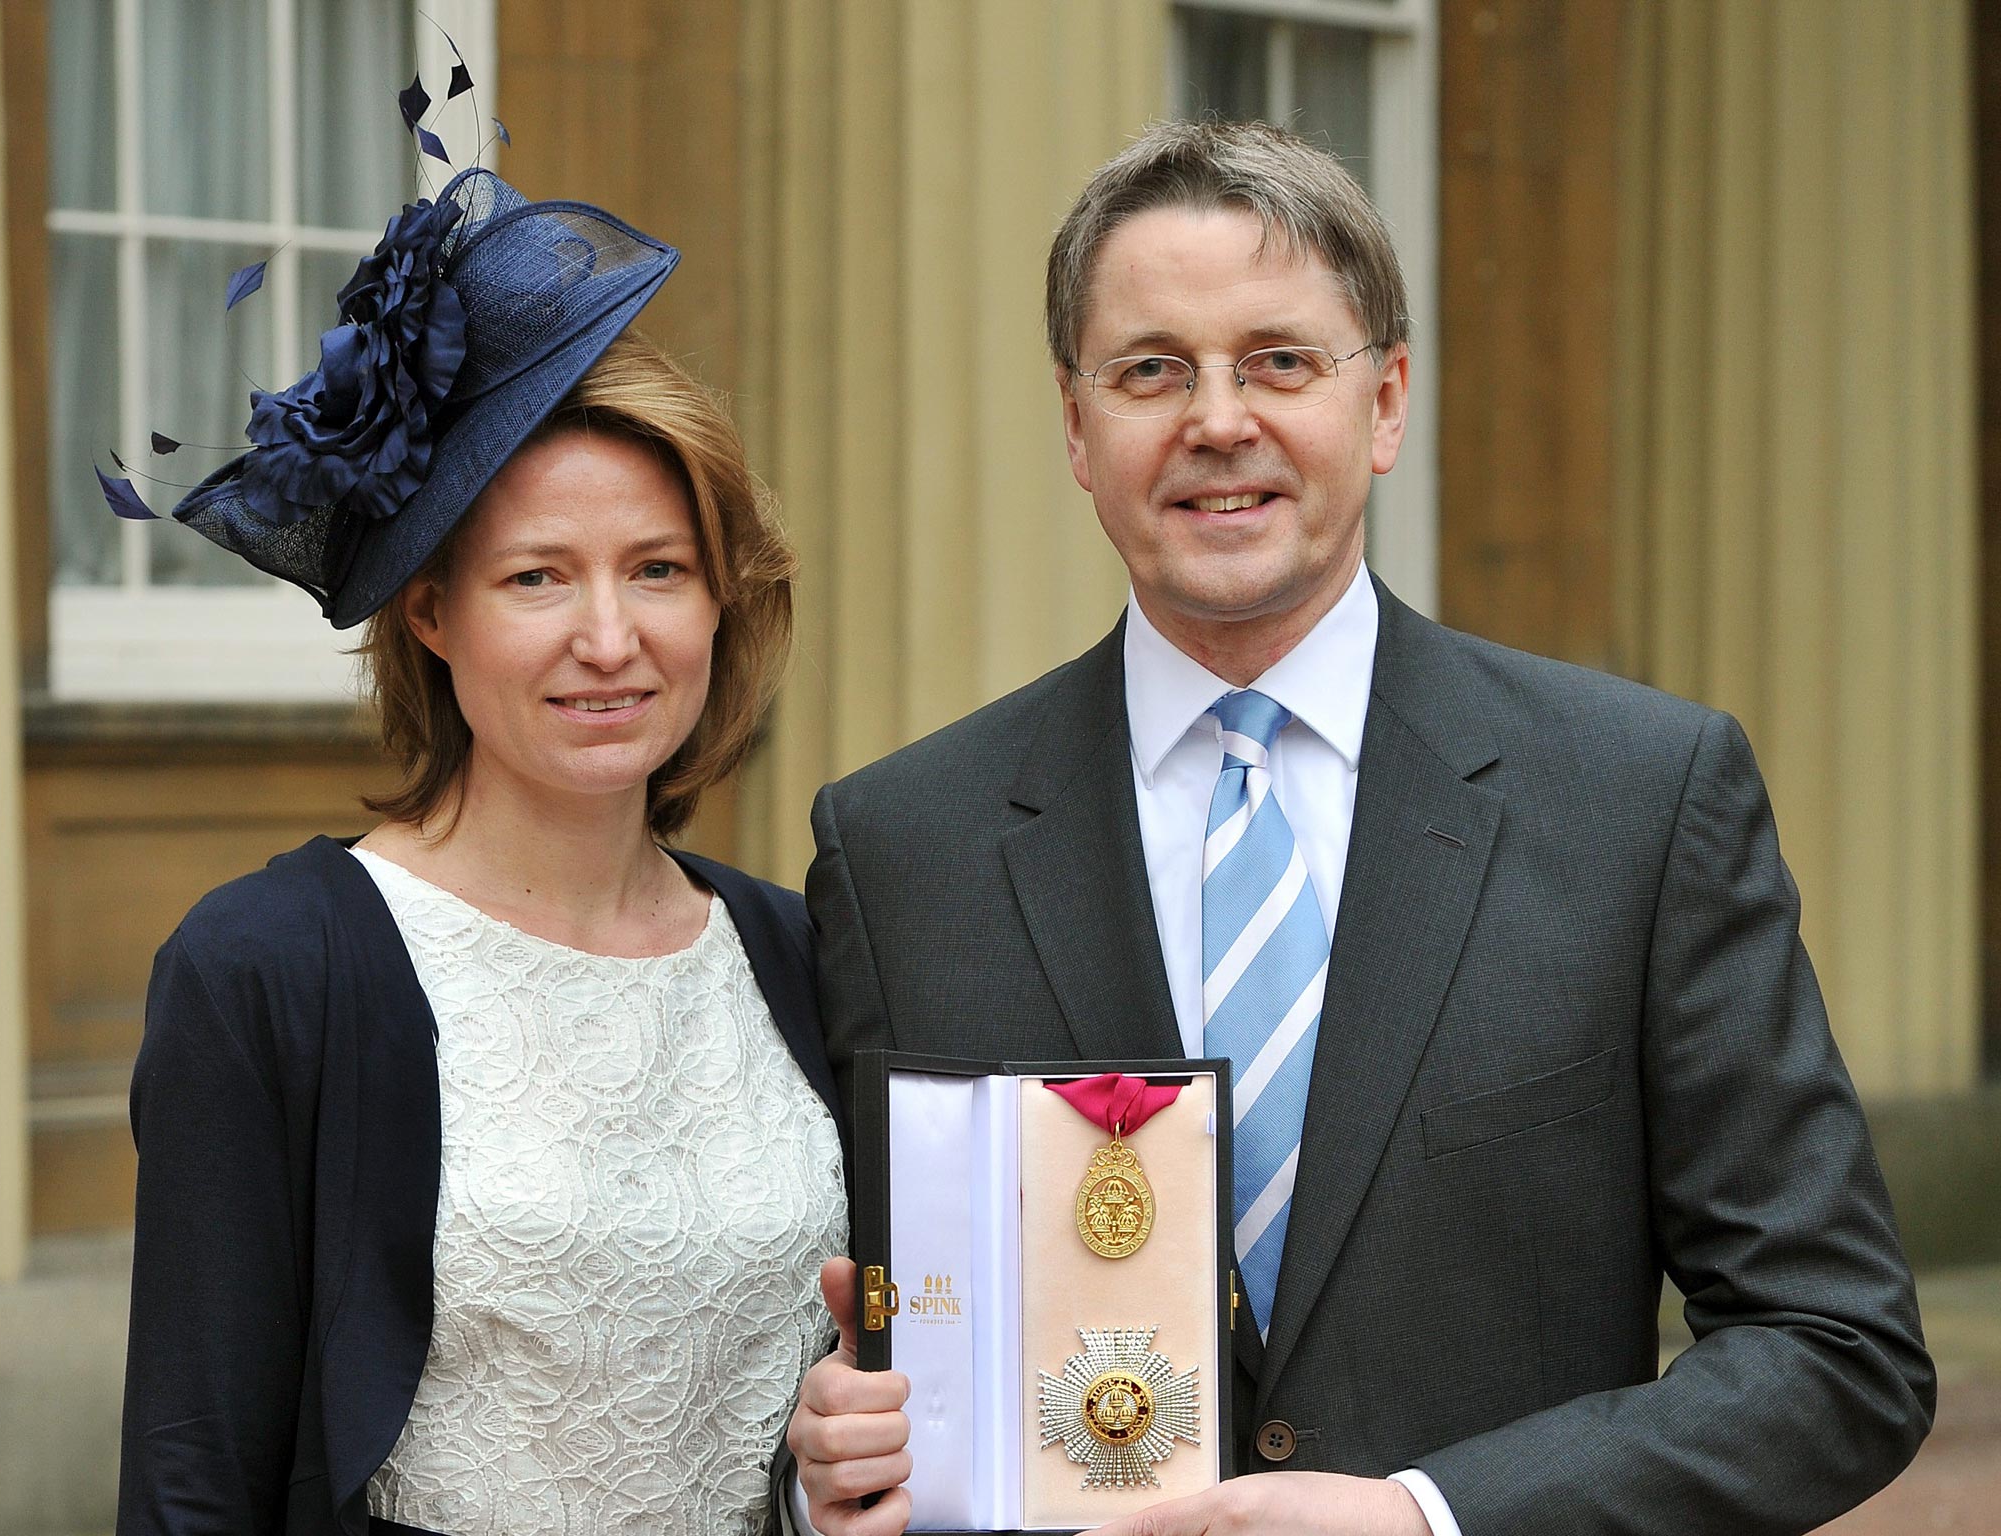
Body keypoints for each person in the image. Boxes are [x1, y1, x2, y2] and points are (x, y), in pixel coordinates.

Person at [786, 119, 1933, 1536]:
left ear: (1386, 403)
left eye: (1280, 361)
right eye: (1152, 370)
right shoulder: (903, 850)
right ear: (1078, 430)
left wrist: (1429, 1517)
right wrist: (832, 1462)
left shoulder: (1638, 799)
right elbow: (865, 1346)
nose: (1218, 419)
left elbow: (1838, 1352)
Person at [117, 166, 847, 1536]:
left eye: (659, 569)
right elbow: (190, 1475)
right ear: (432, 611)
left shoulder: (801, 953)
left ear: (721, 603)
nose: (610, 637)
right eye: (537, 576)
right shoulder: (269, 969)